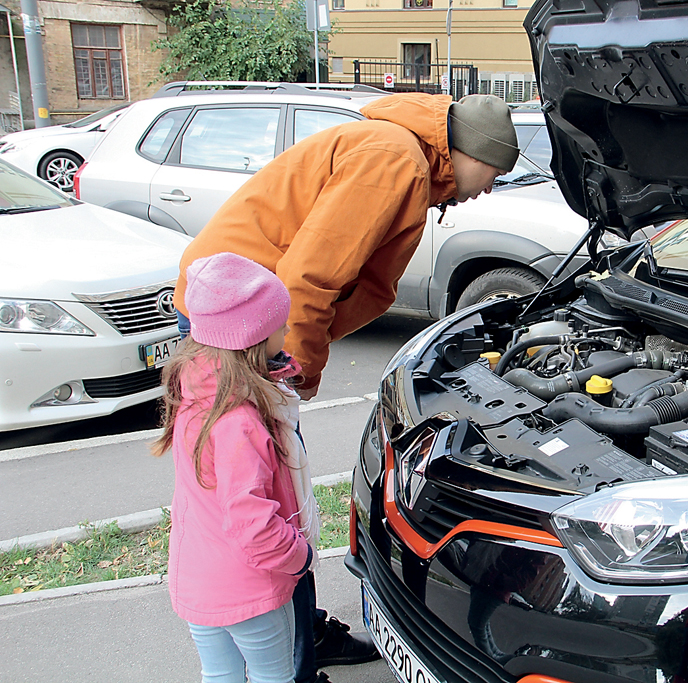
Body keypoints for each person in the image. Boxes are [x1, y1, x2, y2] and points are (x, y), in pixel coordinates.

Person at [172, 91, 519, 683]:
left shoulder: (402, 155)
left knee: (275, 484)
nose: (487, 189)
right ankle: (292, 656)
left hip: (249, 318)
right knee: (268, 488)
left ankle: (298, 631)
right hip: (249, 327)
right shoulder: (396, 161)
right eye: (492, 172)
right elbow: (308, 276)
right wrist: (295, 370)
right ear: (468, 151)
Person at [154, 252, 318, 683]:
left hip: (197, 581)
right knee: (273, 677)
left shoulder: (193, 392)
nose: (285, 331)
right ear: (251, 337)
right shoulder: (239, 421)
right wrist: (300, 556)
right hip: (252, 590)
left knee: (220, 675)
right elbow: (253, 523)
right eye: (278, 326)